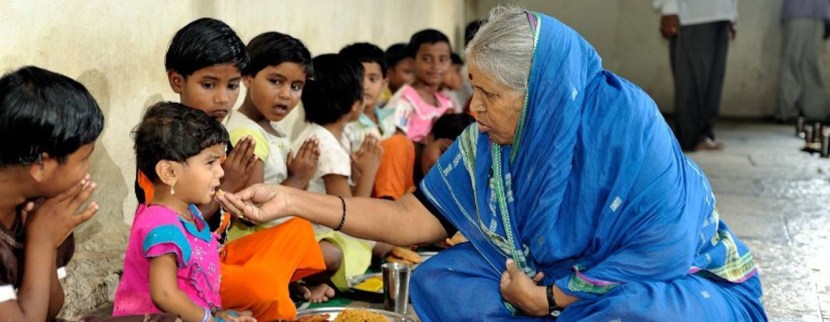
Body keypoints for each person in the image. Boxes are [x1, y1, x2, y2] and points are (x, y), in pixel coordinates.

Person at [216, 6, 767, 321]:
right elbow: (417, 217)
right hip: (544, 278)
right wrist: (290, 199)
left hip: (657, 281)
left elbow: (662, 247)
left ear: (542, 94)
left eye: (489, 94)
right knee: (442, 280)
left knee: (643, 316)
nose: (473, 109)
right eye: (472, 90)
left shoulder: (628, 124)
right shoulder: (492, 134)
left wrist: (549, 297)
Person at [113, 102, 254, 322]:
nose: (220, 172)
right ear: (169, 172)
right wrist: (209, 320)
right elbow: (165, 295)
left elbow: (191, 286)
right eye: (210, 162)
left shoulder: (189, 213)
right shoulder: (161, 225)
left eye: (220, 161)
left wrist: (219, 315)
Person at [221, 31, 326, 320]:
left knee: (305, 232)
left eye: (296, 86)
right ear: (248, 77)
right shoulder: (247, 134)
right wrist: (299, 178)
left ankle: (283, 283)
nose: (286, 94)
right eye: (275, 81)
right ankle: (275, 291)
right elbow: (251, 211)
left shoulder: (269, 130)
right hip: (247, 244)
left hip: (269, 239)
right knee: (324, 252)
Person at [135, 17, 256, 237]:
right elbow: (169, 227)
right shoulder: (165, 139)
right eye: (208, 85)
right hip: (178, 257)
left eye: (232, 86)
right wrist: (227, 185)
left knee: (294, 235)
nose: (223, 99)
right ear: (177, 81)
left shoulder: (219, 136)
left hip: (216, 248)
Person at [0, 66, 102, 321]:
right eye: (84, 159)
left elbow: (50, 307)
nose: (87, 171)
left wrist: (46, 239)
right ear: (40, 166)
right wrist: (42, 242)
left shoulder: (42, 207)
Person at [291, 53, 389, 297]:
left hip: (327, 228)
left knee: (385, 234)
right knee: (383, 240)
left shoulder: (332, 135)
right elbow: (348, 216)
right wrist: (368, 172)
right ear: (355, 104)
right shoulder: (326, 144)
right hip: (322, 234)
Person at [654, 0, 738, 151]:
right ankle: (690, 137)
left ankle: (704, 134)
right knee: (690, 79)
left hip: (722, 14)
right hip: (691, 15)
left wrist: (732, 14)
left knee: (713, 80)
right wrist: (669, 8)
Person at [387, 29, 455, 143]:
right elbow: (398, 142)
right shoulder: (405, 99)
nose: (436, 66)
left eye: (442, 59)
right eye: (427, 59)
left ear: (450, 63)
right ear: (411, 62)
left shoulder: (446, 103)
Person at [777, 0, 830, 122]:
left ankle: (815, 112)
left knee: (811, 65)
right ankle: (787, 112)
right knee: (792, 63)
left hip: (820, 14)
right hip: (797, 12)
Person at [340, 42, 396, 148]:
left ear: (384, 84)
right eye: (358, 78)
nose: (365, 86)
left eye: (372, 79)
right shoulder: (345, 125)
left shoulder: (390, 118)